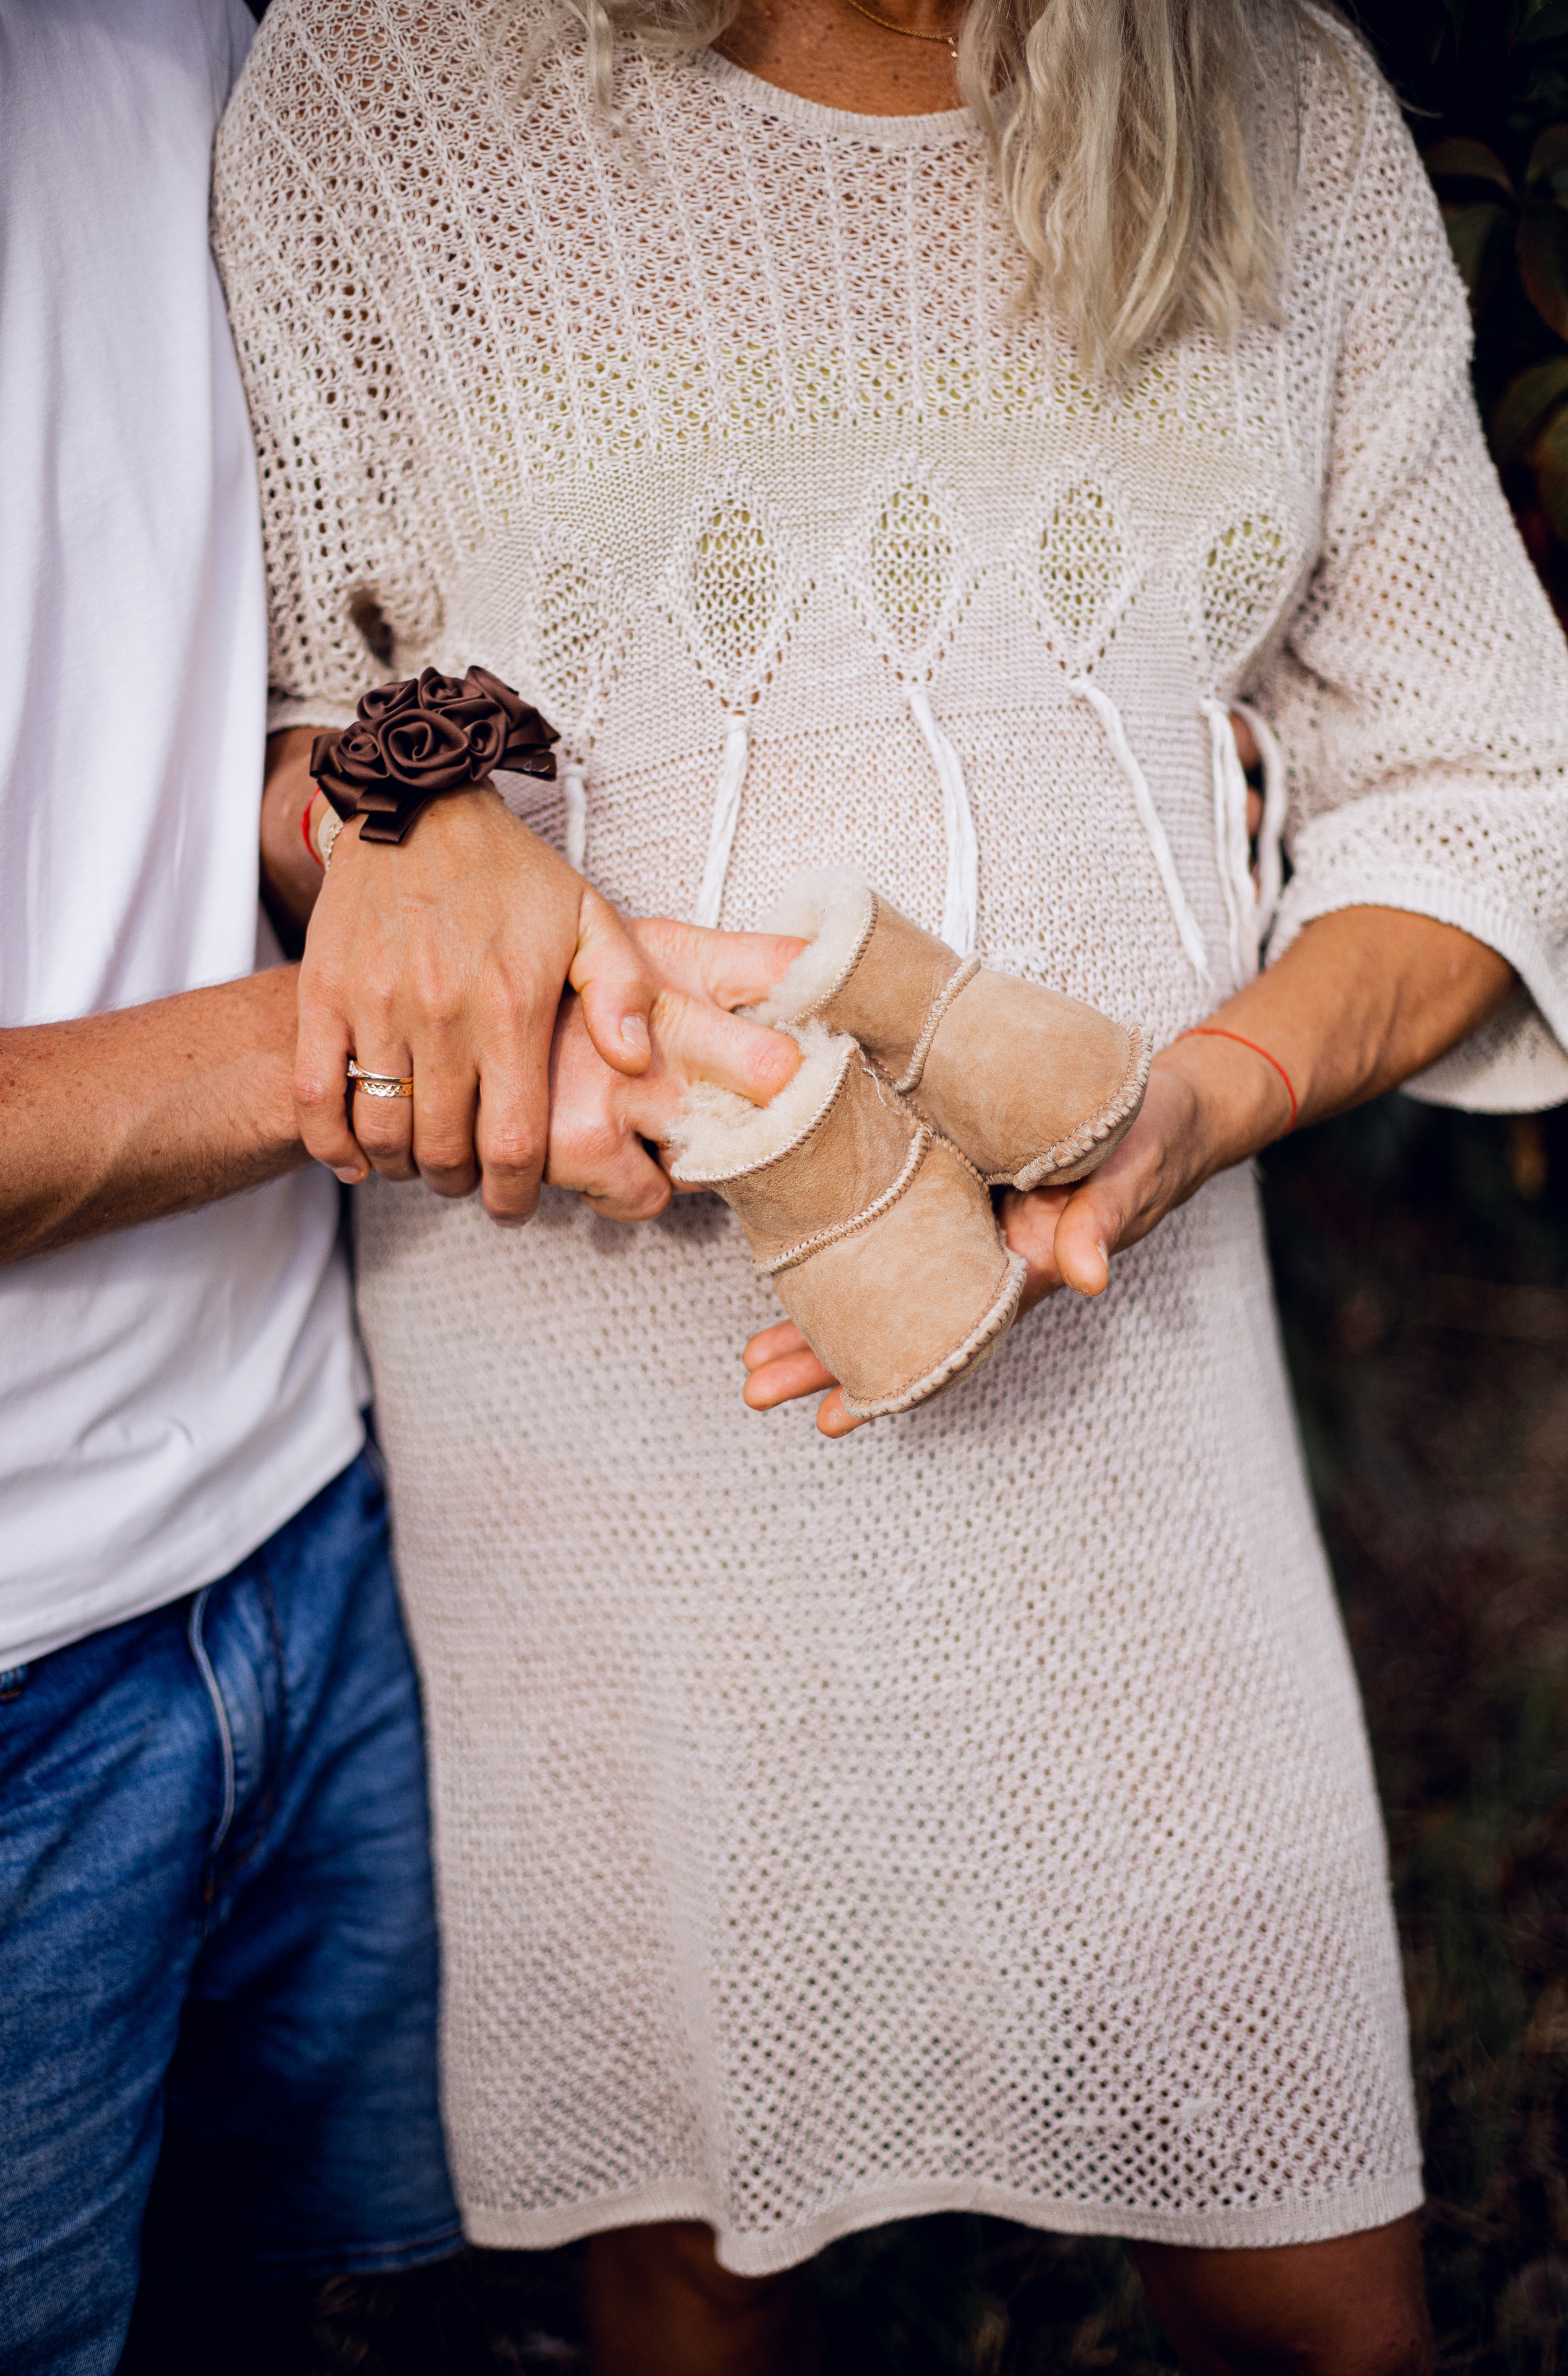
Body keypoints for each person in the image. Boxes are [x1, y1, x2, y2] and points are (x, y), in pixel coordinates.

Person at [213, 0, 1568, 2365]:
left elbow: (1487, 772)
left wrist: (1206, 1098)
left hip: (1125, 1342)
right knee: (693, 2256)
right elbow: (261, 706)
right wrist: (400, 821)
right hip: (594, 1378)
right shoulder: (389, 72)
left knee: (1322, 2286)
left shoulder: (1272, 103)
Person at [0, 8, 793, 2372]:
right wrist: (348, 1044)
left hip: (317, 1526)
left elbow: (169, 696)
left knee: (356, 2324)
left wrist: (404, 816)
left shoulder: (166, 46)